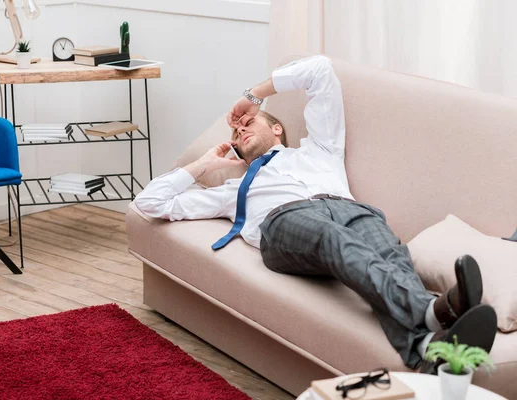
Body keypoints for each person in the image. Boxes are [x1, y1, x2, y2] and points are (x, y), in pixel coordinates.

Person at [134, 55, 497, 370]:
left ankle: (425, 348)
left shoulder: (320, 148)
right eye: (236, 131)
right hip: (286, 224)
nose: (241, 128)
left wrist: (254, 96)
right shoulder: (234, 191)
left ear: (276, 129)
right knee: (333, 237)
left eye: (249, 122)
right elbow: (149, 204)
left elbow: (320, 70)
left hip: (351, 210)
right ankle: (434, 310)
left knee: (391, 254)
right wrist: (203, 164)